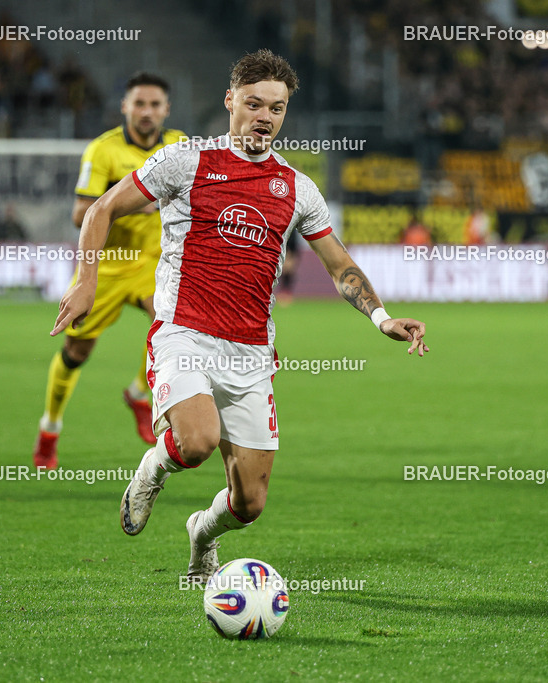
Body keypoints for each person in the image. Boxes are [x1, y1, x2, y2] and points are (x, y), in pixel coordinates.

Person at [51, 50, 428, 581]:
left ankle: (200, 535)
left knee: (248, 504)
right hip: (184, 333)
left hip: (251, 354)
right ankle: (151, 469)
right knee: (197, 441)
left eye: (276, 108)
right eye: (254, 104)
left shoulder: (297, 189)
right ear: (231, 101)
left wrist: (381, 317)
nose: (265, 117)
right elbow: (100, 209)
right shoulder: (187, 160)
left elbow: (338, 263)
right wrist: (85, 281)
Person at [34, 73, 186, 469]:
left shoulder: (180, 145)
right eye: (139, 104)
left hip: (154, 264)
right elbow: (81, 214)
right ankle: (49, 428)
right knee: (76, 351)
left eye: (155, 105)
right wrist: (138, 200)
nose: (147, 112)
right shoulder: (103, 151)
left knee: (172, 324)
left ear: (166, 109)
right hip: (105, 267)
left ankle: (139, 393)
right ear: (125, 107)